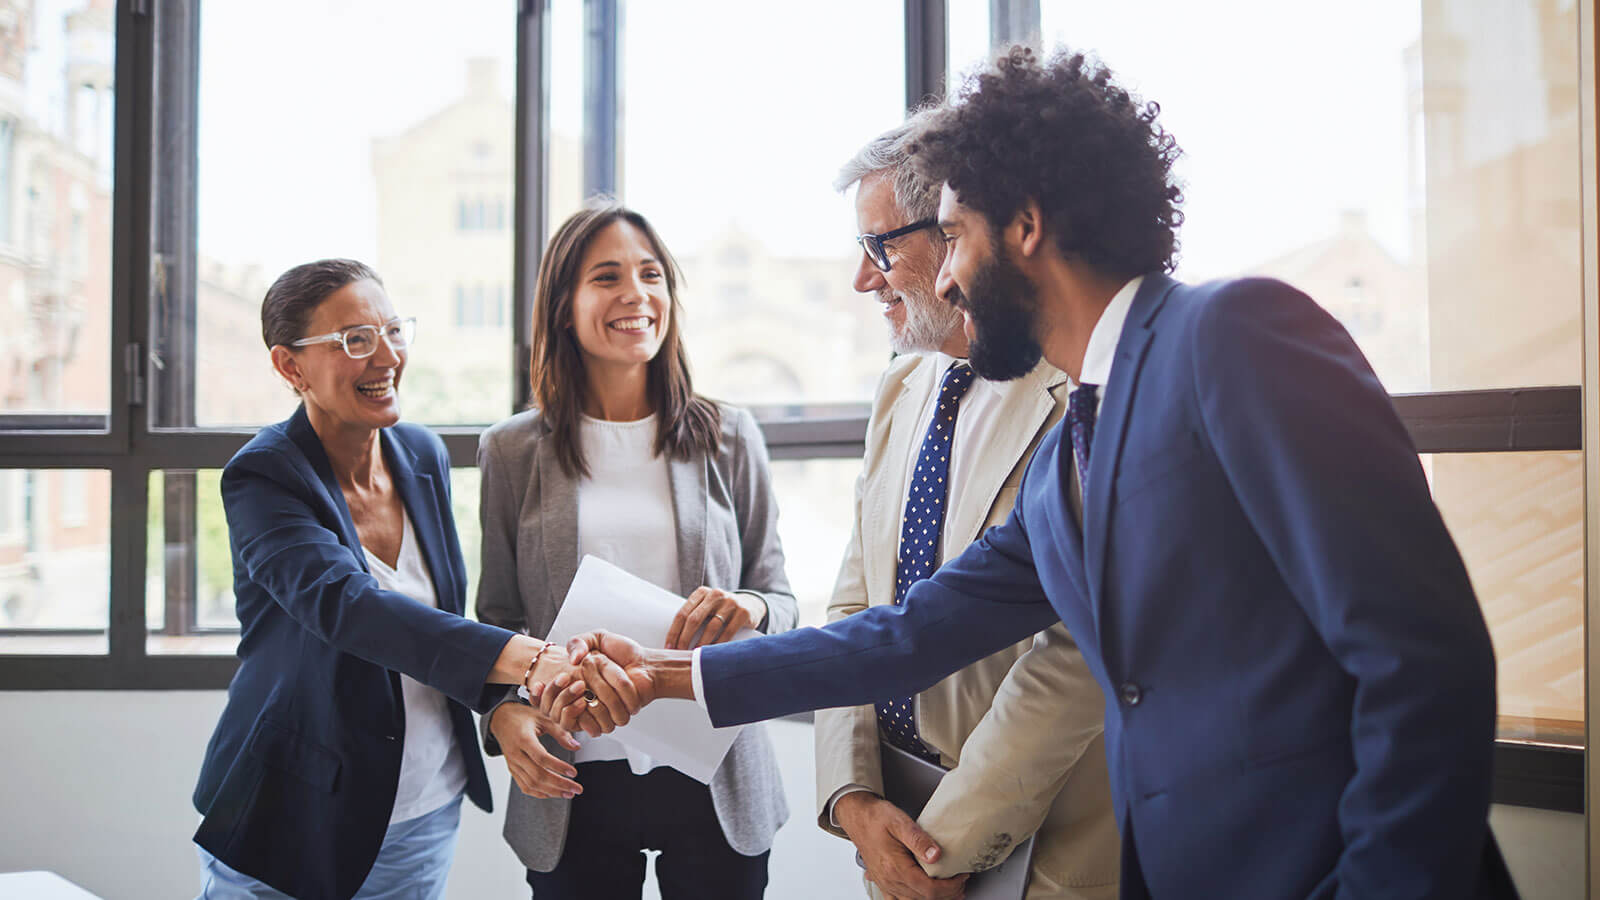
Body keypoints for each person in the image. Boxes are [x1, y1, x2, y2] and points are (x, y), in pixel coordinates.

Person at [554, 48, 1521, 900]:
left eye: (955, 237)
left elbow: (1423, 663)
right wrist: (665, 676)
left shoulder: (1233, 335)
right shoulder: (1073, 452)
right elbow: (904, 635)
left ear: (1023, 227)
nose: (941, 278)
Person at [191, 258, 629, 900]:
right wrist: (532, 661)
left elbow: (442, 619)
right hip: (292, 811)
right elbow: (349, 607)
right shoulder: (265, 477)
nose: (386, 355)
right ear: (291, 368)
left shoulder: (420, 454)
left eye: (392, 330)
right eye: (354, 340)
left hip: (423, 806)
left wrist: (500, 703)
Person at [817, 115, 1117, 900]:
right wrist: (852, 799)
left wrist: (942, 847)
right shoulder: (900, 385)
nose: (863, 278)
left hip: (1039, 842)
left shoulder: (1076, 392)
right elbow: (854, 605)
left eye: (881, 247)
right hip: (893, 824)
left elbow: (1074, 657)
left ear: (956, 231)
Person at [474, 202, 796, 900]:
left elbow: (781, 599)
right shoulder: (511, 450)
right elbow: (497, 617)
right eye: (607, 276)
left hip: (715, 773)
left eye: (652, 274)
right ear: (565, 306)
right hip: (572, 773)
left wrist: (746, 605)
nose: (636, 294)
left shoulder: (730, 436)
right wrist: (503, 711)